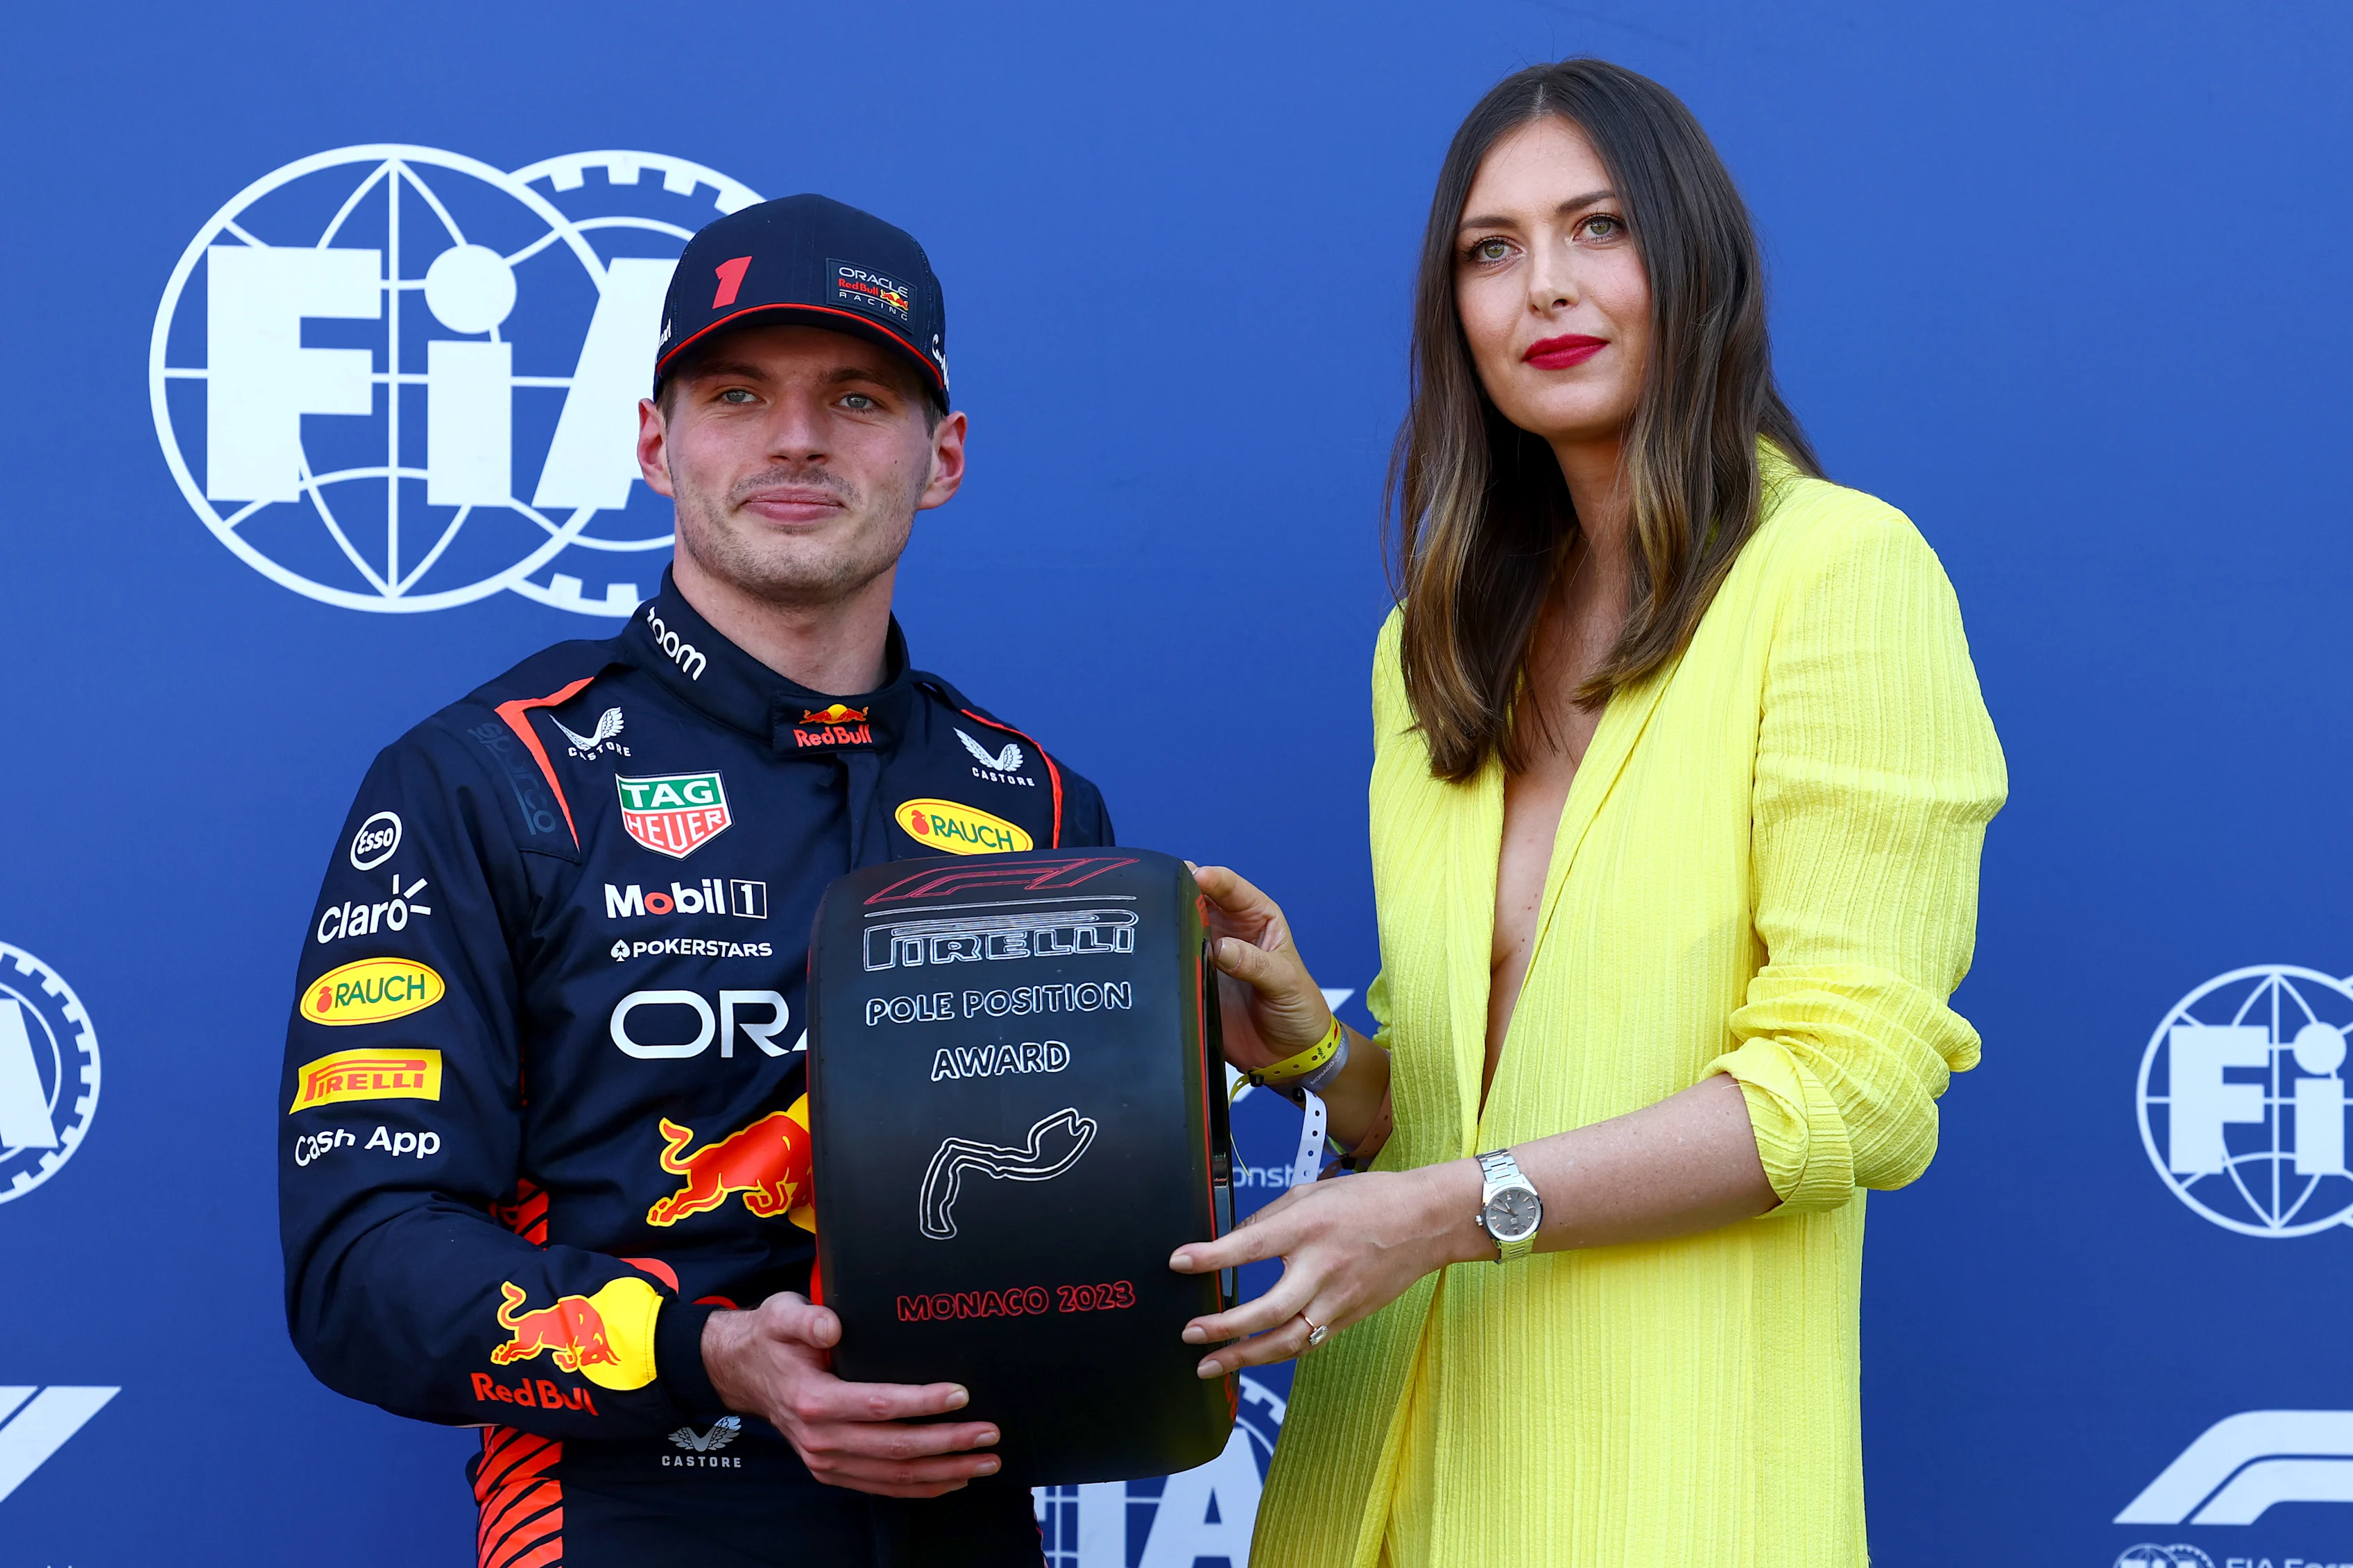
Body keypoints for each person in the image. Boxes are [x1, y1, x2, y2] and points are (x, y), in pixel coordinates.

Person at [1168, 58, 2007, 1565]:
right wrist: (1314, 1049)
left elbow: (1848, 1089)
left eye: (1596, 228)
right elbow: (1452, 1113)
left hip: (1658, 1491)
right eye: (1490, 251)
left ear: (1692, 261)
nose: (1541, 288)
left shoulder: (1838, 573)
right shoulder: (1430, 643)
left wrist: (1437, 1208)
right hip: (1368, 1483)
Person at [277, 194, 1111, 1568]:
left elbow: (1091, 1199)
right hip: (628, 1519)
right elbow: (361, 1263)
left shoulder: (1031, 800)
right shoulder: (492, 778)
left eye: (856, 396)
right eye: (737, 393)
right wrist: (715, 1353)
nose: (795, 438)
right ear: (658, 444)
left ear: (941, 455)